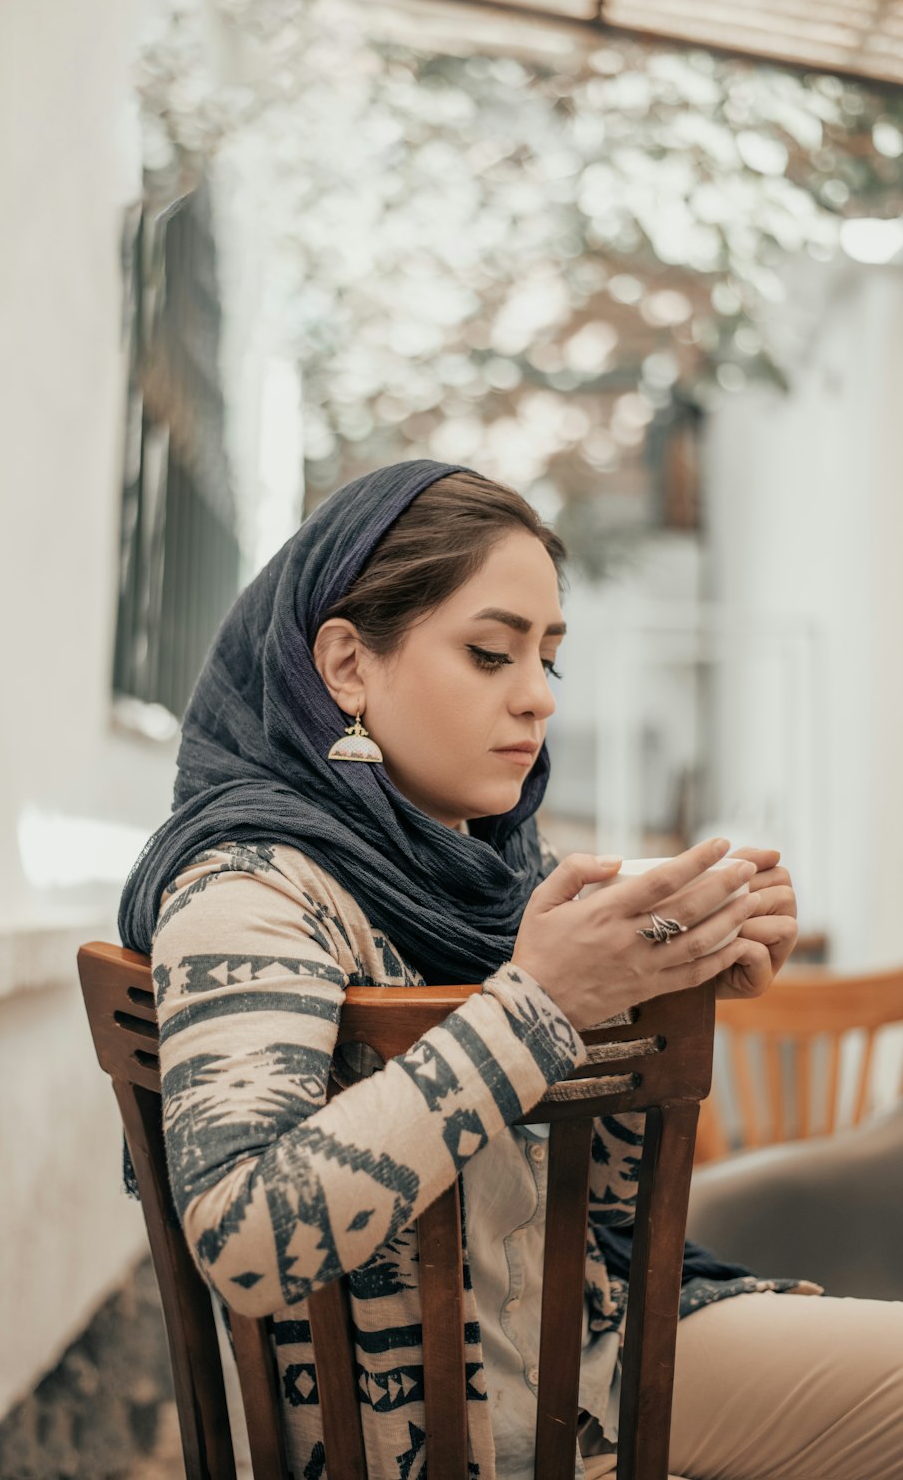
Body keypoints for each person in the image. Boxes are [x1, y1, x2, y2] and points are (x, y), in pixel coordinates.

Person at [119, 460, 903, 1480]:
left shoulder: (485, 875)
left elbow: (596, 1211)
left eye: (549, 659)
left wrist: (667, 987)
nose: (536, 698)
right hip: (435, 1428)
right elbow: (244, 1235)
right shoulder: (253, 888)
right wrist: (540, 1005)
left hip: (584, 1357)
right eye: (490, 653)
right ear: (348, 666)